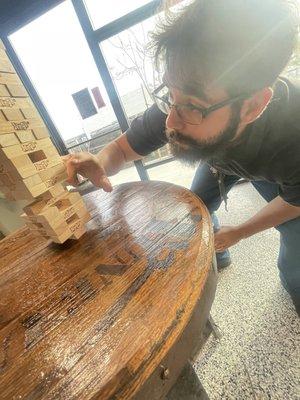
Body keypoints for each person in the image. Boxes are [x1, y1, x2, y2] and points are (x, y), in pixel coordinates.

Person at [65, 0, 300, 314]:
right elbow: (120, 149)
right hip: (219, 156)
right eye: (170, 95)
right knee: (197, 205)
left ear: (252, 106)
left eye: (192, 106)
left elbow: (295, 200)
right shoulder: (175, 110)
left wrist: (240, 231)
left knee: (295, 240)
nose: (171, 124)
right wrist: (100, 163)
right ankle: (219, 255)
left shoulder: (293, 136)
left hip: (276, 169)